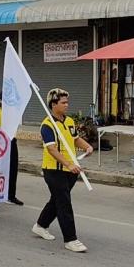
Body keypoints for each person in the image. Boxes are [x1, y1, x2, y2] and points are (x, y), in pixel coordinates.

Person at [32, 88, 93, 253]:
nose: (67, 105)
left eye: (67, 102)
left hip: (70, 169)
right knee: (64, 202)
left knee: (57, 199)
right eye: (63, 102)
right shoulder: (47, 125)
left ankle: (40, 225)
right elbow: (52, 149)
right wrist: (68, 164)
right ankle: (71, 239)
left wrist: (86, 146)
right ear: (53, 104)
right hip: (54, 170)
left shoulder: (69, 121)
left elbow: (75, 139)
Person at [0, 92, 23, 205]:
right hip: (3, 144)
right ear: (0, 100)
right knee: (1, 170)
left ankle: (10, 195)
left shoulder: (9, 112)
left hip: (11, 141)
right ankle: (2, 194)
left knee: (13, 169)